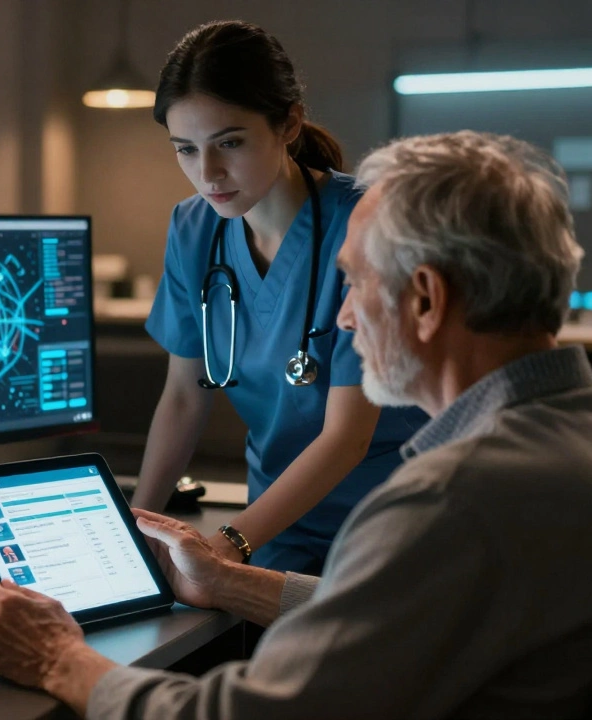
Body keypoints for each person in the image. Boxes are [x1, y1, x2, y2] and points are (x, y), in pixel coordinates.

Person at [0, 130, 592, 718]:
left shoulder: (453, 501)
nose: (345, 317)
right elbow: (403, 618)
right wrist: (228, 581)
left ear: (425, 299)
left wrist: (61, 660)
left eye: (352, 281)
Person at [133, 20, 426, 574]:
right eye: (186, 150)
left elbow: (346, 437)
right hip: (274, 518)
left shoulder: (367, 225)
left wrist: (225, 545)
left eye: (230, 143)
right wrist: (139, 524)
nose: (208, 173)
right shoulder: (194, 229)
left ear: (288, 123)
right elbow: (183, 397)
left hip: (387, 519)